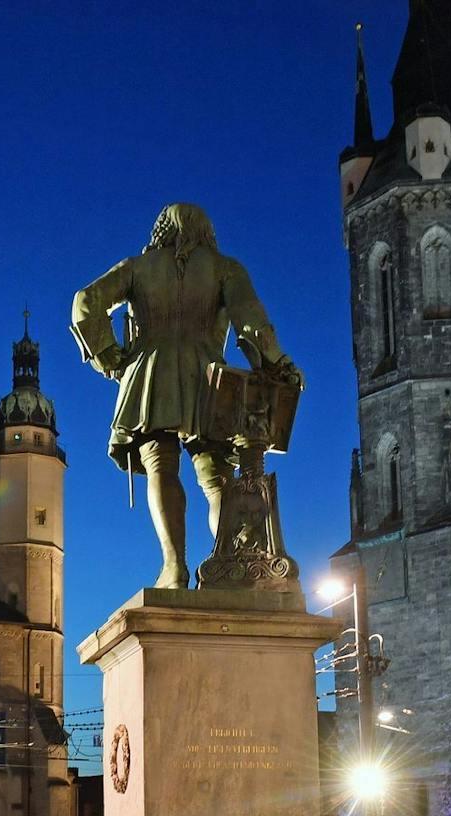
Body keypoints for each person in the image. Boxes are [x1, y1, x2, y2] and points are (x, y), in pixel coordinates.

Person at [71, 202, 302, 589]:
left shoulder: (137, 267)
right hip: (209, 376)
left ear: (162, 230)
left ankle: (174, 567)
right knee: (216, 479)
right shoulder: (225, 268)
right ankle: (234, 564)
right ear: (207, 232)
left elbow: (85, 301)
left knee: (160, 464)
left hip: (150, 372)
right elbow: (253, 324)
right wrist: (279, 364)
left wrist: (109, 356)